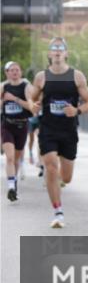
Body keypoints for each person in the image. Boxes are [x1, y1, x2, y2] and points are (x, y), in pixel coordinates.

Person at [29, 38, 88, 228]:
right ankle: (58, 212)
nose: (57, 51)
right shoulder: (41, 77)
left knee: (66, 177)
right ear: (49, 54)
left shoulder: (77, 76)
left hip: (68, 131)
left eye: (61, 48)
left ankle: (57, 181)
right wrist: (34, 105)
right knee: (50, 167)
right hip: (48, 129)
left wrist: (77, 111)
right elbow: (32, 100)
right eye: (54, 48)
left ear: (66, 53)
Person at [3, 61, 39, 202]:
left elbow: (30, 107)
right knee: (10, 157)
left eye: (17, 70)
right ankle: (11, 186)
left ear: (21, 72)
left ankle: (14, 183)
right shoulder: (3, 87)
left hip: (22, 125)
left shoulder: (26, 87)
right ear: (7, 73)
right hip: (7, 125)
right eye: (12, 70)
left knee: (16, 159)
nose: (15, 72)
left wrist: (14, 99)